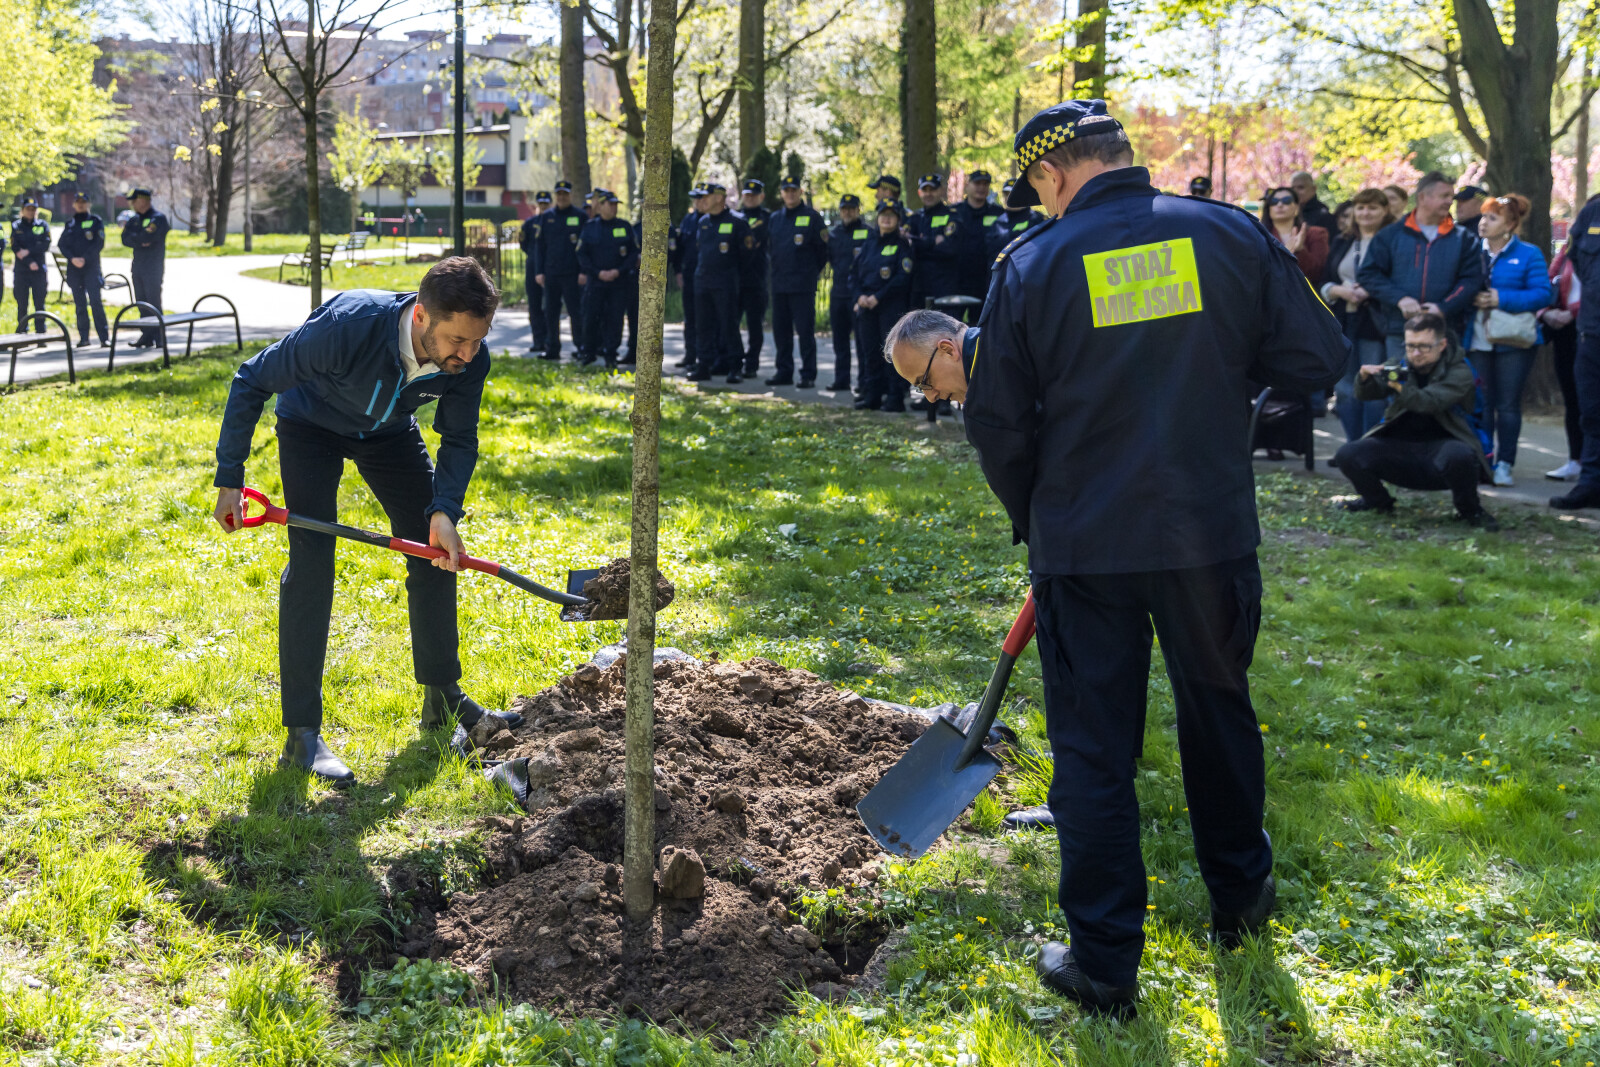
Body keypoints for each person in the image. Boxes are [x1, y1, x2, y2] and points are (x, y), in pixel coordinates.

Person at [882, 99, 1345, 1018]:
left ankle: (1103, 962)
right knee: (1220, 713)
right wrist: (1214, 378)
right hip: (1209, 534)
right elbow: (1316, 357)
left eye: (1037, 190)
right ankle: (1241, 900)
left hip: (1086, 547)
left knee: (1093, 750)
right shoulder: (1226, 232)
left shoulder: (1033, 264)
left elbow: (1000, 422)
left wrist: (1040, 520)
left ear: (1050, 174)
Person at [210, 258, 521, 786]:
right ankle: (302, 737)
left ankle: (442, 699)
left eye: (477, 341)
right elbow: (252, 378)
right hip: (311, 426)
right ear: (420, 316)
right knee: (311, 566)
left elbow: (459, 437)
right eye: (457, 341)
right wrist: (230, 478)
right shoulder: (346, 328)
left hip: (388, 434)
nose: (468, 355)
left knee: (435, 552)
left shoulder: (469, 358)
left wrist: (444, 509)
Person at [1333, 311, 1497, 529]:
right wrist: (1364, 378)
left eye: (1424, 347)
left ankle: (1470, 510)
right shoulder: (1401, 365)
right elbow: (1368, 394)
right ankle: (1377, 501)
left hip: (1444, 450)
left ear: (1442, 344)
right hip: (1400, 448)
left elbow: (1428, 402)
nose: (1416, 353)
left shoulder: (1461, 372)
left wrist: (1399, 385)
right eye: (1410, 346)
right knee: (1348, 454)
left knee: (1460, 455)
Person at [1460, 194, 1551, 487]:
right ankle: (1483, 460)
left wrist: (1501, 298)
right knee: (1481, 403)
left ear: (1510, 224)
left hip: (1515, 340)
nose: (1483, 223)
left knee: (1508, 405)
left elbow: (1543, 293)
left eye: (1492, 218)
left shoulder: (1529, 253)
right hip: (1478, 338)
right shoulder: (1471, 251)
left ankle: (1505, 464)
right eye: (1483, 216)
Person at [1358, 171, 1484, 360]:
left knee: (1446, 380)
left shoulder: (1464, 238)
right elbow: (1369, 274)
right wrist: (1400, 299)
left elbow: (1472, 280)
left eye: (1450, 196)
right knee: (1399, 379)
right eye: (1444, 196)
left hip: (1445, 332)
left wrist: (1443, 307)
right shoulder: (1390, 235)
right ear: (1423, 197)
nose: (1450, 201)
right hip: (1400, 331)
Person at [1321, 188, 1395, 441]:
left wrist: (1372, 290)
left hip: (1375, 324)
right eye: (1361, 207)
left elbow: (1399, 279)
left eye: (1373, 207)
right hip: (1343, 321)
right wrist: (1338, 290)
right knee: (1344, 390)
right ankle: (1353, 446)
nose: (1365, 213)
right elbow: (1325, 280)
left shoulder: (1392, 241)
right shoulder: (1342, 241)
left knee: (1373, 387)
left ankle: (1371, 446)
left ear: (1385, 211)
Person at [852, 199, 914, 412]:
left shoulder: (902, 245)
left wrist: (877, 297)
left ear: (898, 219)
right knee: (870, 353)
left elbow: (902, 278)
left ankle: (894, 398)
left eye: (891, 215)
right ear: (877, 218)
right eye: (883, 215)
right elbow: (854, 274)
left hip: (889, 306)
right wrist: (859, 296)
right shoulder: (869, 243)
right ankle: (873, 397)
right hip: (867, 307)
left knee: (891, 353)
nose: (886, 219)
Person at [1560, 190, 1600, 510]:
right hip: (1592, 332)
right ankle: (1590, 484)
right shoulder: (1592, 214)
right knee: (1591, 412)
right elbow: (1575, 259)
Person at [765, 177, 827, 387]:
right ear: (782, 193)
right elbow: (771, 249)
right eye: (786, 190)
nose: (790, 194)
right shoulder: (775, 218)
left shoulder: (812, 217)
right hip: (779, 284)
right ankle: (784, 371)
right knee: (781, 332)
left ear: (800, 192)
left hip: (802, 285)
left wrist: (809, 272)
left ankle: (808, 375)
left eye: (794, 190)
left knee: (805, 332)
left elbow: (822, 251)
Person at [689, 183, 750, 384]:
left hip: (725, 283)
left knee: (728, 325)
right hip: (703, 281)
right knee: (703, 326)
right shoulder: (703, 222)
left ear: (718, 198)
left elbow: (747, 257)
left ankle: (735, 367)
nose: (702, 200)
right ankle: (704, 365)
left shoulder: (737, 222)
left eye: (706, 196)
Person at [575, 192, 638, 370]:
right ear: (600, 206)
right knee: (590, 317)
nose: (613, 208)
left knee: (615, 319)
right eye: (610, 204)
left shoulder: (624, 226)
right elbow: (582, 254)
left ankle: (611, 354)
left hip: (618, 283)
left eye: (615, 204)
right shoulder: (590, 227)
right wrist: (597, 272)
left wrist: (618, 271)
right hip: (595, 282)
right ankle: (588, 353)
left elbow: (633, 253)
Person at [1539, 242, 1583, 481]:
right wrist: (1545, 312)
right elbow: (1549, 281)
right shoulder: (1570, 246)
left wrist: (1573, 311)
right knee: (1572, 397)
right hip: (1564, 332)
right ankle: (1575, 460)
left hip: (1588, 325)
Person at [534, 180, 586, 362]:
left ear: (570, 195)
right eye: (559, 194)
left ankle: (581, 347)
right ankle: (552, 349)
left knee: (576, 312)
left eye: (565, 194)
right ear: (556, 196)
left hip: (573, 274)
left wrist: (584, 271)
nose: (562, 197)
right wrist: (539, 271)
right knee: (550, 313)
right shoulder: (547, 217)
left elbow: (585, 247)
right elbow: (539, 247)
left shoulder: (580, 216)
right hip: (551, 274)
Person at [826, 194, 870, 392]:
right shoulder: (834, 234)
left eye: (852, 209)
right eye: (845, 209)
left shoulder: (868, 233)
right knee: (840, 341)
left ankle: (864, 381)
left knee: (862, 342)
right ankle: (841, 379)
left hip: (858, 295)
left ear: (858, 210)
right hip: (838, 293)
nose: (848, 212)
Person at [58, 192, 110, 348]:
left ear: (89, 204)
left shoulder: (95, 221)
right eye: (78, 202)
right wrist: (72, 258)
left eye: (83, 202)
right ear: (74, 204)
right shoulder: (70, 224)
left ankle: (104, 338)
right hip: (75, 270)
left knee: (96, 303)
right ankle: (84, 338)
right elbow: (62, 244)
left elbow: (99, 243)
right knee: (80, 305)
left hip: (91, 268)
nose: (81, 204)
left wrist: (84, 259)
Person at [120, 188, 170, 348]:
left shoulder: (158, 219)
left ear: (143, 200)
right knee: (141, 302)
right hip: (138, 266)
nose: (132, 204)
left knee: (153, 301)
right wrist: (141, 240)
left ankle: (159, 336)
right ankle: (147, 335)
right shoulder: (134, 220)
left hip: (153, 266)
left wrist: (139, 238)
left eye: (134, 201)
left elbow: (150, 236)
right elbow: (125, 238)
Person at [906, 173, 961, 312]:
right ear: (919, 193)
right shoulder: (915, 218)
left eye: (933, 189)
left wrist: (920, 242)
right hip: (919, 285)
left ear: (941, 191)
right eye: (925, 190)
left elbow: (950, 249)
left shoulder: (951, 215)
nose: (928, 194)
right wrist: (933, 242)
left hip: (944, 285)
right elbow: (908, 246)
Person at [952, 170, 1001, 322]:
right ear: (967, 186)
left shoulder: (998, 213)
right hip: (957, 279)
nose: (981, 187)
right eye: (977, 183)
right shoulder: (954, 212)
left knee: (982, 324)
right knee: (952, 324)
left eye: (985, 184)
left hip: (985, 279)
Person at [1260, 185, 1329, 286]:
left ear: (1296, 207)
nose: (1280, 204)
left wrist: (1300, 250)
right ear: (1268, 208)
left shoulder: (1316, 234)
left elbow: (1318, 273)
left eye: (1286, 201)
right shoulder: (1259, 236)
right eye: (1274, 201)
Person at [736, 179, 771, 376]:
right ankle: (734, 360)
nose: (750, 198)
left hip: (756, 280)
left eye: (754, 195)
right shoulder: (735, 216)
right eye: (747, 195)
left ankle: (751, 364)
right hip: (735, 279)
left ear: (761, 197)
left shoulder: (767, 218)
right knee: (730, 323)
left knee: (754, 325)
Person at [670, 186, 706, 371]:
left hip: (709, 277)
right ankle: (690, 355)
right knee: (690, 318)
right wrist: (678, 272)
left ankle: (707, 358)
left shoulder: (714, 219)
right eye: (696, 199)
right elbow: (679, 249)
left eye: (701, 198)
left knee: (706, 319)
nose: (698, 202)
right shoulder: (688, 220)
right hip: (689, 275)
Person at [518, 191, 552, 353]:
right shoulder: (529, 224)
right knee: (534, 305)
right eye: (541, 204)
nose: (543, 206)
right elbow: (523, 244)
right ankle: (538, 340)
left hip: (550, 267)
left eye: (546, 204)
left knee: (550, 306)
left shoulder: (553, 222)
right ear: (537, 205)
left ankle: (550, 340)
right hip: (532, 268)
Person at [12, 199, 51, 335]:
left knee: (39, 304)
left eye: (33, 209)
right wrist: (29, 262)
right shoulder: (16, 226)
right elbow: (16, 248)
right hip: (22, 271)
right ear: (22, 210)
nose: (30, 212)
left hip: (38, 270)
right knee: (22, 304)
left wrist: (28, 251)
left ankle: (40, 333)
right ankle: (23, 333)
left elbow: (45, 244)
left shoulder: (42, 225)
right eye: (28, 209)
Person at [987, 178, 1047, 260]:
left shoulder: (1037, 220)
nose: (1010, 197)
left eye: (1014, 194)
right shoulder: (997, 223)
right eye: (1007, 194)